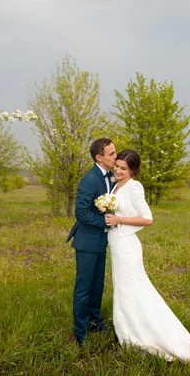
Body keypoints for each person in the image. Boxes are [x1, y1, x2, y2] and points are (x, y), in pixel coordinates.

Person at [104, 149, 190, 363]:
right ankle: (126, 329)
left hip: (127, 246)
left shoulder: (134, 187)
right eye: (116, 165)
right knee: (124, 288)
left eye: (123, 168)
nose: (117, 170)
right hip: (117, 244)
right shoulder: (116, 185)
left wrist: (119, 220)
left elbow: (147, 218)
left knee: (133, 288)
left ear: (133, 170)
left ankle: (140, 333)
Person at [66, 138, 117, 347]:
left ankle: (95, 322)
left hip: (100, 241)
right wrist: (106, 221)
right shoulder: (89, 179)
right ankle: (80, 332)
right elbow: (81, 212)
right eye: (112, 153)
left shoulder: (110, 176)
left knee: (97, 286)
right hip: (87, 242)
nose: (116, 156)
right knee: (84, 288)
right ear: (99, 157)